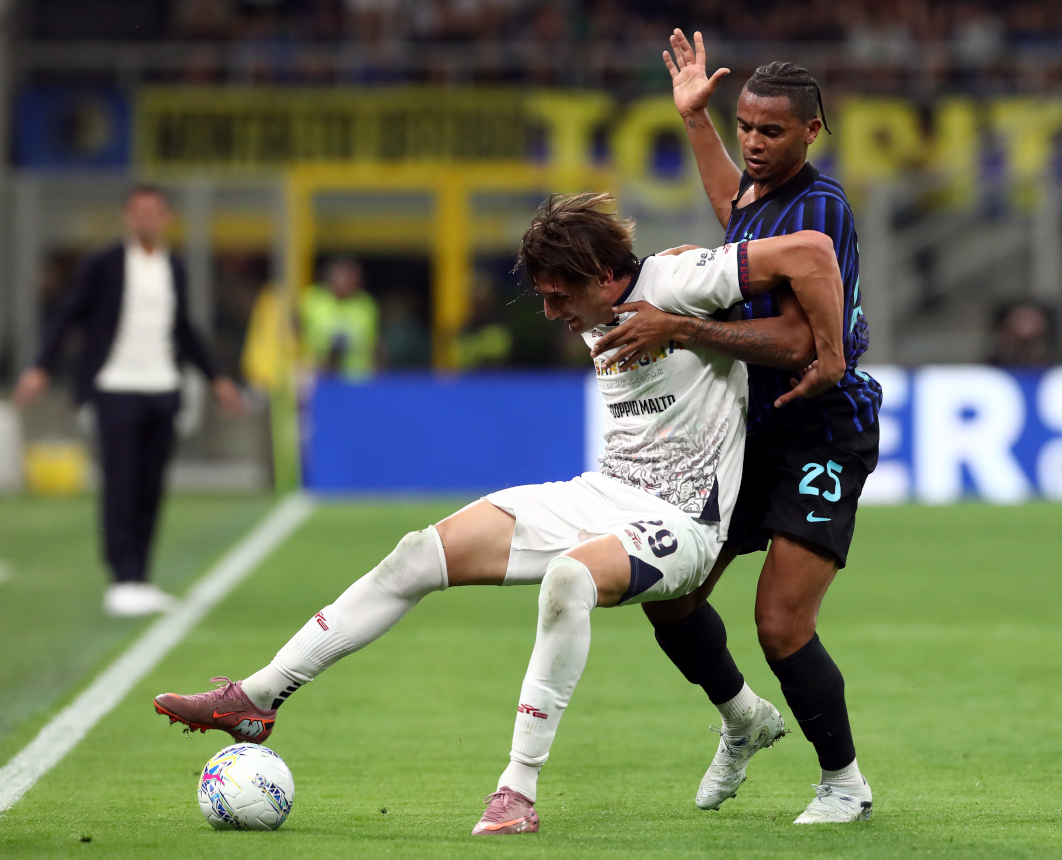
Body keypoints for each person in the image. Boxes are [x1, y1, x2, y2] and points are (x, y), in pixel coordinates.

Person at [152, 191, 848, 835]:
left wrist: (829, 350)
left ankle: (517, 790)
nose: (550, 313)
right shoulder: (596, 302)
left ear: (606, 275)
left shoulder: (678, 281)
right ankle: (259, 697)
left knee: (571, 580)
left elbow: (813, 252)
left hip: (684, 519)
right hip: (603, 493)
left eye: (558, 296)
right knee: (416, 554)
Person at [590, 32, 881, 824]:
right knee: (670, 592)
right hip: (749, 431)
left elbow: (798, 345)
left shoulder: (820, 210)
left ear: (811, 132)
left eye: (770, 131)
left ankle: (843, 783)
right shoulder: (761, 197)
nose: (752, 143)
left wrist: (677, 330)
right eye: (745, 126)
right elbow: (732, 208)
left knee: (781, 622)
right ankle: (742, 719)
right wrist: (696, 121)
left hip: (821, 432)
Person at [13, 185, 244, 617]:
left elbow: (184, 329)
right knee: (120, 484)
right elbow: (69, 313)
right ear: (126, 217)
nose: (146, 220)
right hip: (115, 386)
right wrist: (39, 367)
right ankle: (120, 579)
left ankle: (141, 577)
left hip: (162, 387)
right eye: (137, 212)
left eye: (154, 212)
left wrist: (217, 378)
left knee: (151, 486)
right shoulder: (103, 264)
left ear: (167, 217)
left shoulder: (173, 266)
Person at [300, 256, 379, 379]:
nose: (345, 282)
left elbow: (374, 342)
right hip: (317, 374)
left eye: (350, 277)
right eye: (341, 276)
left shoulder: (365, 304)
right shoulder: (311, 299)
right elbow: (294, 335)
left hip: (356, 376)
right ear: (329, 277)